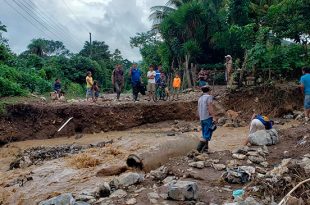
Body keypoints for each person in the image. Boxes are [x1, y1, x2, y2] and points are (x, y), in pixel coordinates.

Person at [196, 86, 217, 153]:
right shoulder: (209, 97)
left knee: (204, 133)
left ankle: (205, 149)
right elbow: (210, 107)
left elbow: (198, 109)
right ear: (209, 91)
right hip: (207, 117)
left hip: (202, 119)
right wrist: (214, 117)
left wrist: (200, 118)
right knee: (206, 135)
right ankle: (197, 151)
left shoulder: (200, 98)